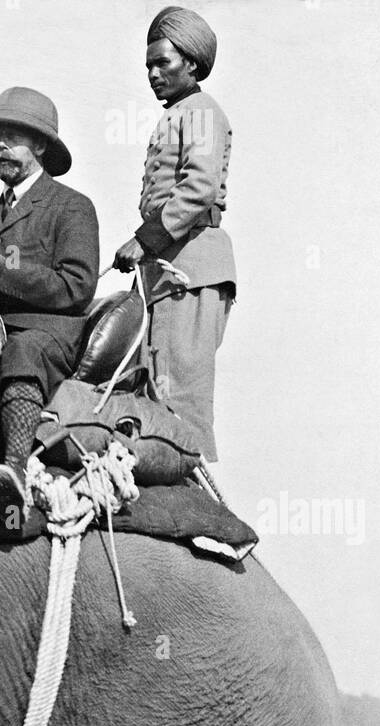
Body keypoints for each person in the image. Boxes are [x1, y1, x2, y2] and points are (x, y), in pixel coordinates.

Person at [0, 87, 99, 519]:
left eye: (13, 137)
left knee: (22, 348)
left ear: (42, 145)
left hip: (48, 336)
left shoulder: (72, 208)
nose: (0, 147)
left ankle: (15, 468)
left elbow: (77, 286)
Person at [113, 6, 236, 463]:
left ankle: (201, 507)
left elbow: (198, 188)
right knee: (151, 382)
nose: (152, 73)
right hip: (166, 268)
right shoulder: (180, 113)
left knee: (183, 395)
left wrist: (144, 240)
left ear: (193, 64)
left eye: (162, 62)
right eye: (148, 64)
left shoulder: (201, 111)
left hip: (192, 267)